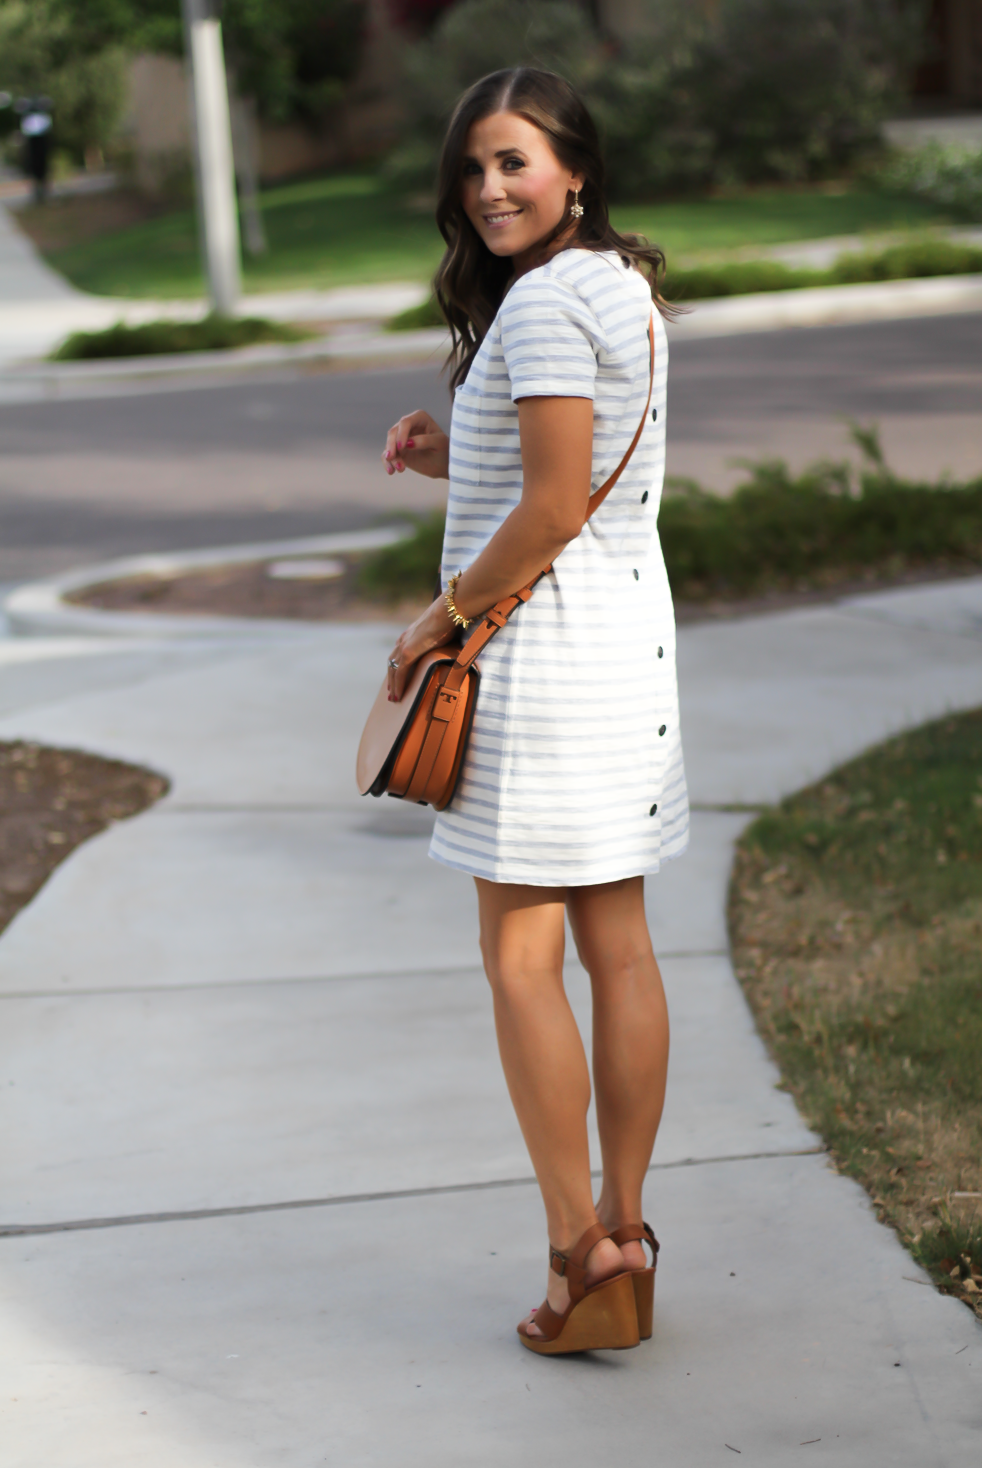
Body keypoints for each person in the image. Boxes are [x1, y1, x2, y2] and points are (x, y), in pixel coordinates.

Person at [380, 67, 688, 1355]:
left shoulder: (548, 302)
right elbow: (570, 467)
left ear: (574, 168)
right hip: (627, 656)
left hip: (545, 668)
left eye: (514, 162)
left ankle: (580, 1258)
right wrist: (455, 451)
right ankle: (627, 1232)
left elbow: (554, 510)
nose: (490, 189)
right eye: (473, 168)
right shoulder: (620, 287)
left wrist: (436, 622)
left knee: (522, 958)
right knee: (616, 942)